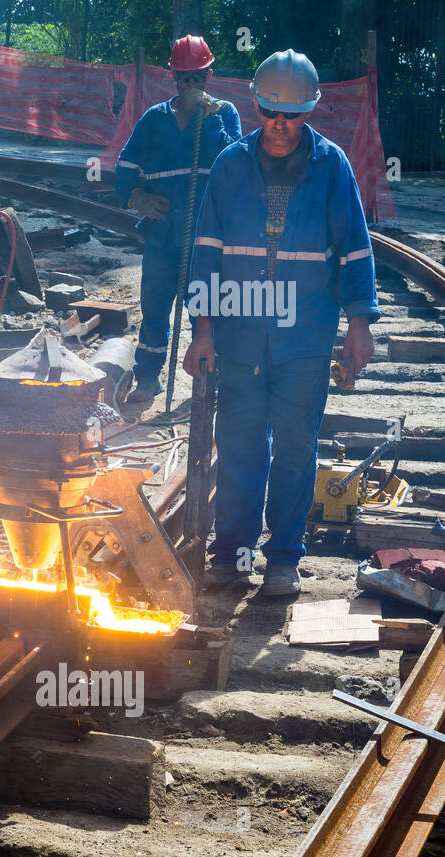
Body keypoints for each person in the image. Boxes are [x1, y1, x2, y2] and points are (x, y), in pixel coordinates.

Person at [183, 50, 378, 597]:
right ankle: (233, 554)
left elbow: (355, 251)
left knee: (295, 446)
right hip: (240, 335)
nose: (280, 125)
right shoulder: (230, 164)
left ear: (308, 112)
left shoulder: (332, 166)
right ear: (256, 106)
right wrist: (204, 330)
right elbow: (206, 252)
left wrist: (358, 324)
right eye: (271, 112)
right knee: (242, 443)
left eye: (292, 116)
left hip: (306, 339)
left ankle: (283, 560)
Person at [116, 35, 242, 403]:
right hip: (161, 234)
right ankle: (148, 378)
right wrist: (134, 196)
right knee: (154, 306)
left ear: (209, 76)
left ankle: (208, 382)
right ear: (172, 76)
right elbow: (125, 167)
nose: (190, 86)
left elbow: (236, 163)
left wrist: (210, 120)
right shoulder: (154, 119)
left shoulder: (224, 114)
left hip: (207, 238)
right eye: (183, 78)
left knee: (205, 309)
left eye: (197, 78)